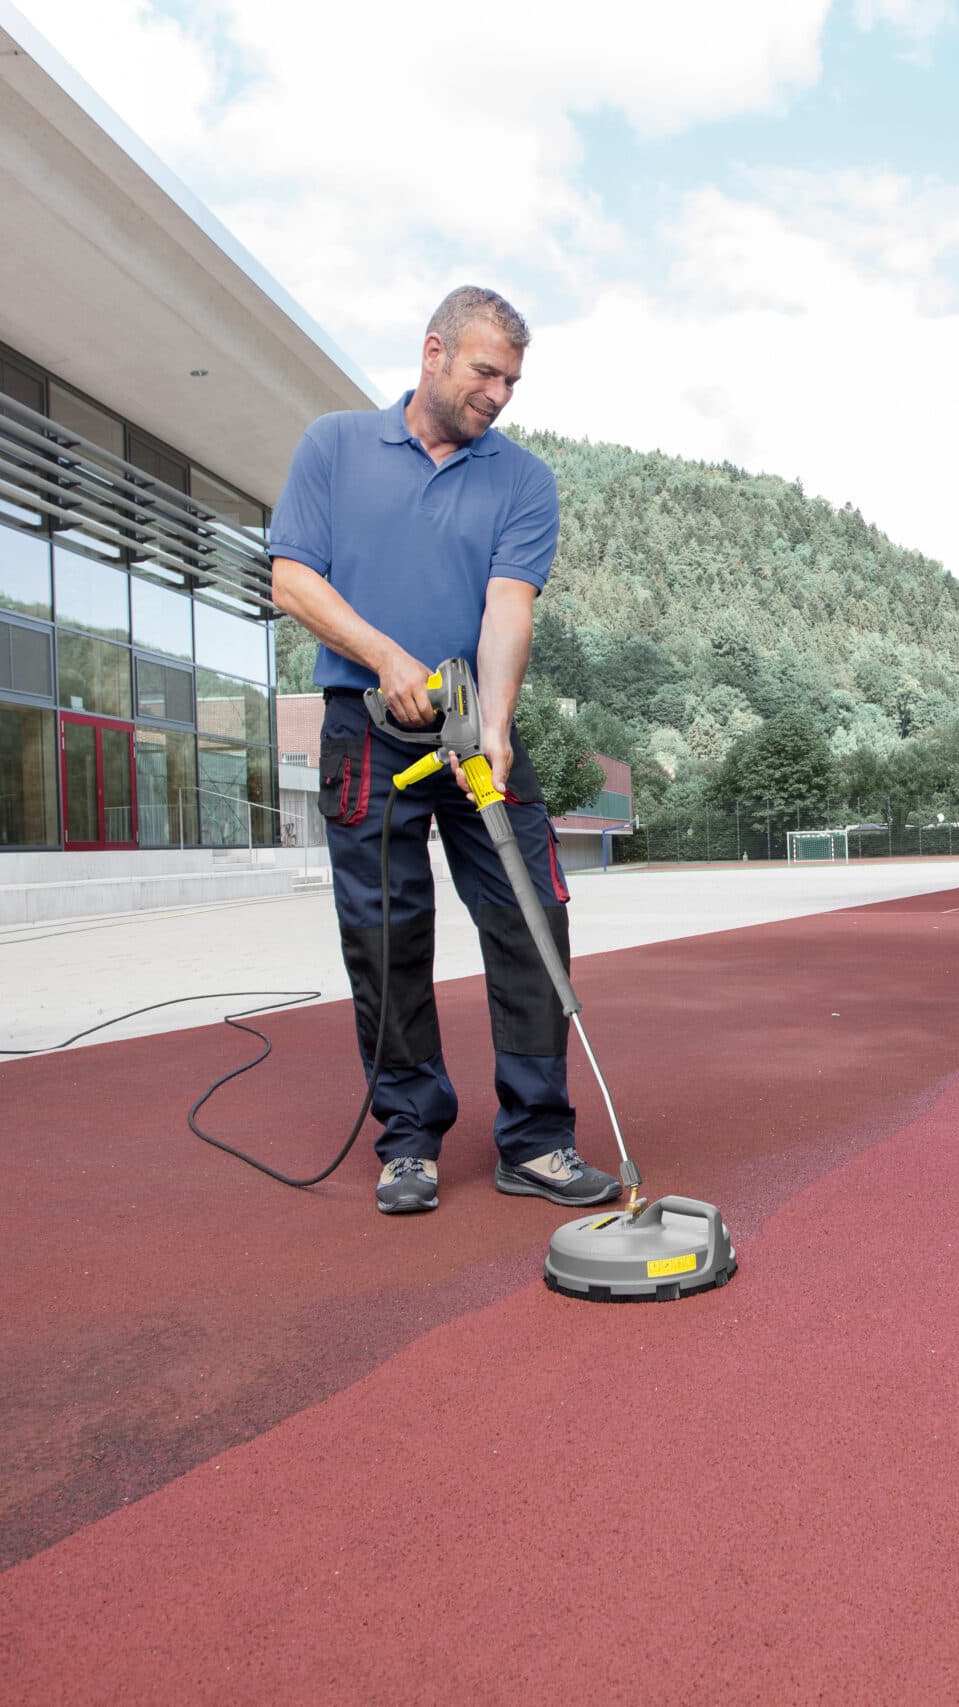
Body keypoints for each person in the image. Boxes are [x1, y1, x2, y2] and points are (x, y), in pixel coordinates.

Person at [267, 286, 617, 1218]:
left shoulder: (523, 480)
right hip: (364, 729)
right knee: (385, 933)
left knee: (531, 914)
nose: (499, 394)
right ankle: (409, 1139)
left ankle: (536, 1139)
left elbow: (509, 607)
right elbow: (292, 579)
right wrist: (386, 658)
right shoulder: (335, 447)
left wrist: (494, 728)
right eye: (485, 372)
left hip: (474, 722)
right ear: (433, 353)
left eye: (512, 381)